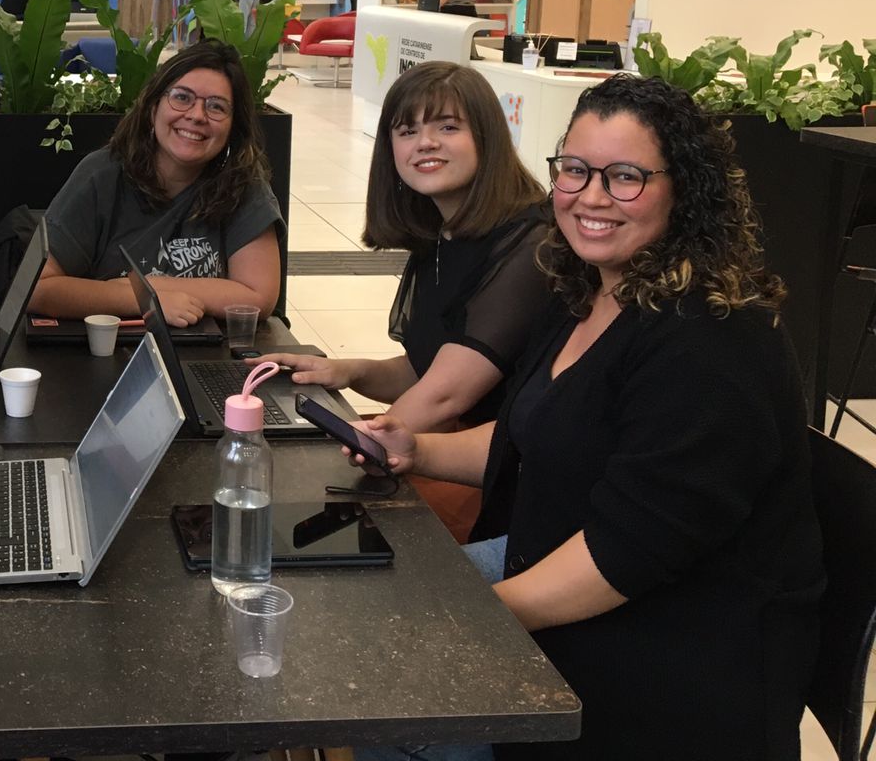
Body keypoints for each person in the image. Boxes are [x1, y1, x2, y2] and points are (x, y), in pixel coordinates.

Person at [350, 75, 822, 760]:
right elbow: (533, 439)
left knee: (388, 689)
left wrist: (468, 620)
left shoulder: (711, 340)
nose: (590, 196)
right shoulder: (591, 291)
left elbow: (624, 555)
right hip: (566, 571)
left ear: (684, 189)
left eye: (625, 176)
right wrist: (414, 450)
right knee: (361, 614)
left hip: (667, 658)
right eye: (574, 169)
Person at [261, 63, 551, 433]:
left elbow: (446, 397)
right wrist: (348, 370)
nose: (425, 142)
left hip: (500, 468)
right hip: (448, 441)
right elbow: (425, 369)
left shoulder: (528, 245)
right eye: (407, 130)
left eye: (448, 126)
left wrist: (360, 442)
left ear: (487, 136)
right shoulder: (441, 234)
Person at [30, 39, 283, 326]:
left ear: (233, 127)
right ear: (153, 108)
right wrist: (143, 300)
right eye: (182, 97)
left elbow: (257, 297)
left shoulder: (243, 184)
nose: (197, 116)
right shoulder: (102, 175)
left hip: (209, 358)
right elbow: (38, 288)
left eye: (216, 107)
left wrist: (148, 285)